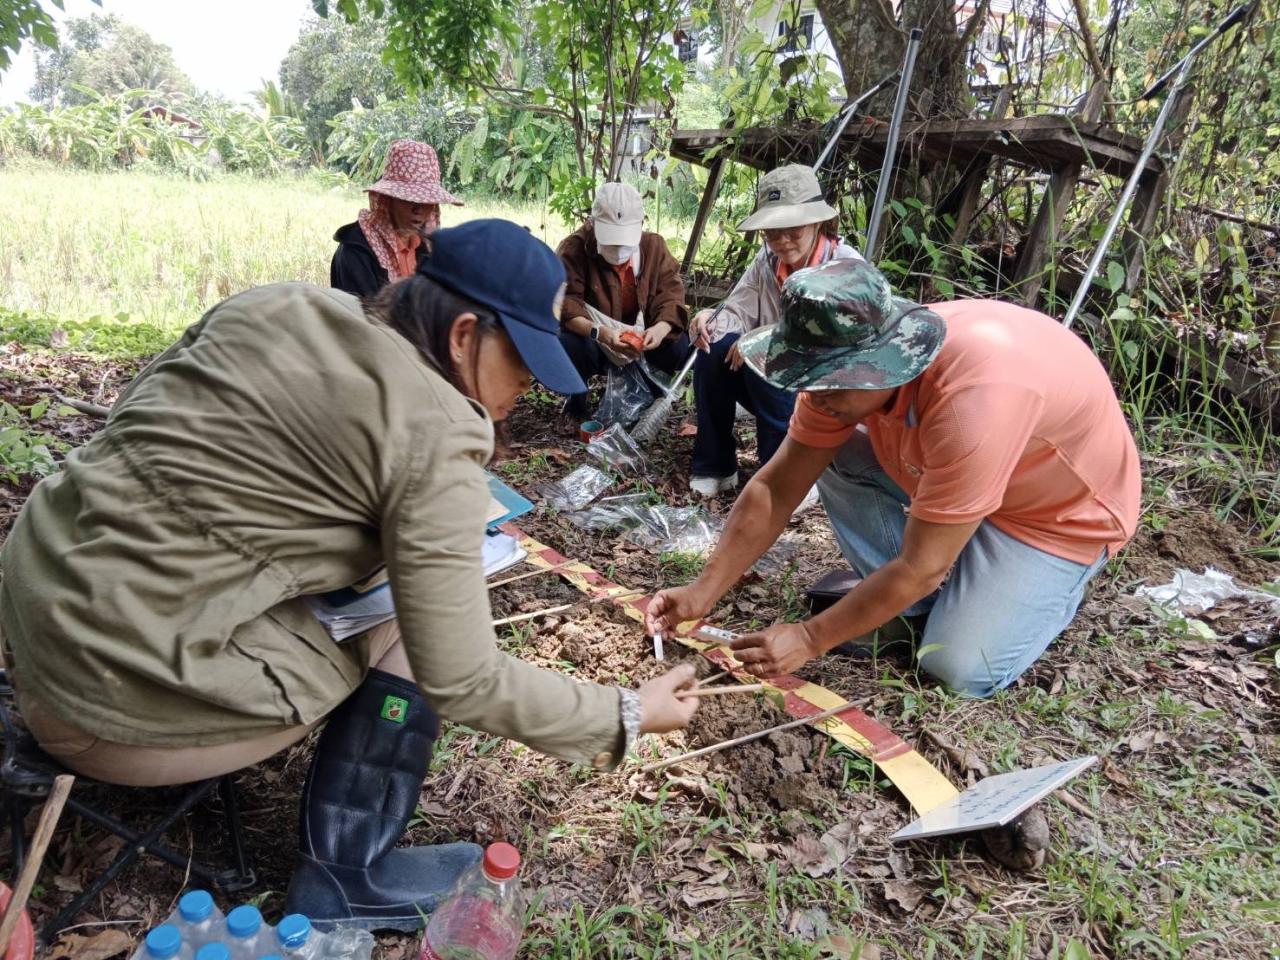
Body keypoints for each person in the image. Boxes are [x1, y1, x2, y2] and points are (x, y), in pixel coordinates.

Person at [0, 220, 700, 932]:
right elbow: (463, 679)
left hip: (32, 604)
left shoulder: (280, 303)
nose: (522, 392)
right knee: (399, 617)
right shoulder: (438, 428)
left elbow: (149, 429)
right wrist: (627, 713)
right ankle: (346, 876)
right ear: (463, 336)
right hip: (99, 706)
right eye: (520, 367)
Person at [647, 258, 1141, 697]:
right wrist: (701, 593)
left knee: (955, 666)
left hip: (1056, 517)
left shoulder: (974, 404)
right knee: (833, 455)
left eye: (825, 380)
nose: (812, 395)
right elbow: (776, 488)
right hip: (965, 473)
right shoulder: (837, 382)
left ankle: (1038, 585)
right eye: (805, 376)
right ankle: (930, 590)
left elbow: (920, 566)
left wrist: (810, 637)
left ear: (878, 367)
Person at [686, 163, 863, 497]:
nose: (782, 241)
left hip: (824, 391)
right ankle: (716, 464)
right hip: (772, 384)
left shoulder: (845, 266)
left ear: (816, 222)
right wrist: (712, 318)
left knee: (766, 354)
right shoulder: (766, 261)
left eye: (793, 229)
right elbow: (737, 309)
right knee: (713, 347)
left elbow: (848, 345)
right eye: (772, 231)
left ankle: (792, 476)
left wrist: (764, 339)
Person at [556, 181, 691, 422]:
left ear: (640, 226)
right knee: (568, 343)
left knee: (678, 345)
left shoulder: (653, 247)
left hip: (642, 338)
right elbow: (565, 302)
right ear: (593, 224)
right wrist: (601, 333)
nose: (618, 249)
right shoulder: (574, 248)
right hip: (597, 338)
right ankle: (576, 397)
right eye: (610, 240)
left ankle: (647, 391)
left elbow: (671, 294)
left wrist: (660, 329)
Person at [330, 139, 463, 298]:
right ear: (387, 200)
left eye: (425, 201)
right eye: (408, 199)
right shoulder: (358, 251)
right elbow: (360, 318)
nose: (418, 209)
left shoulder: (424, 248)